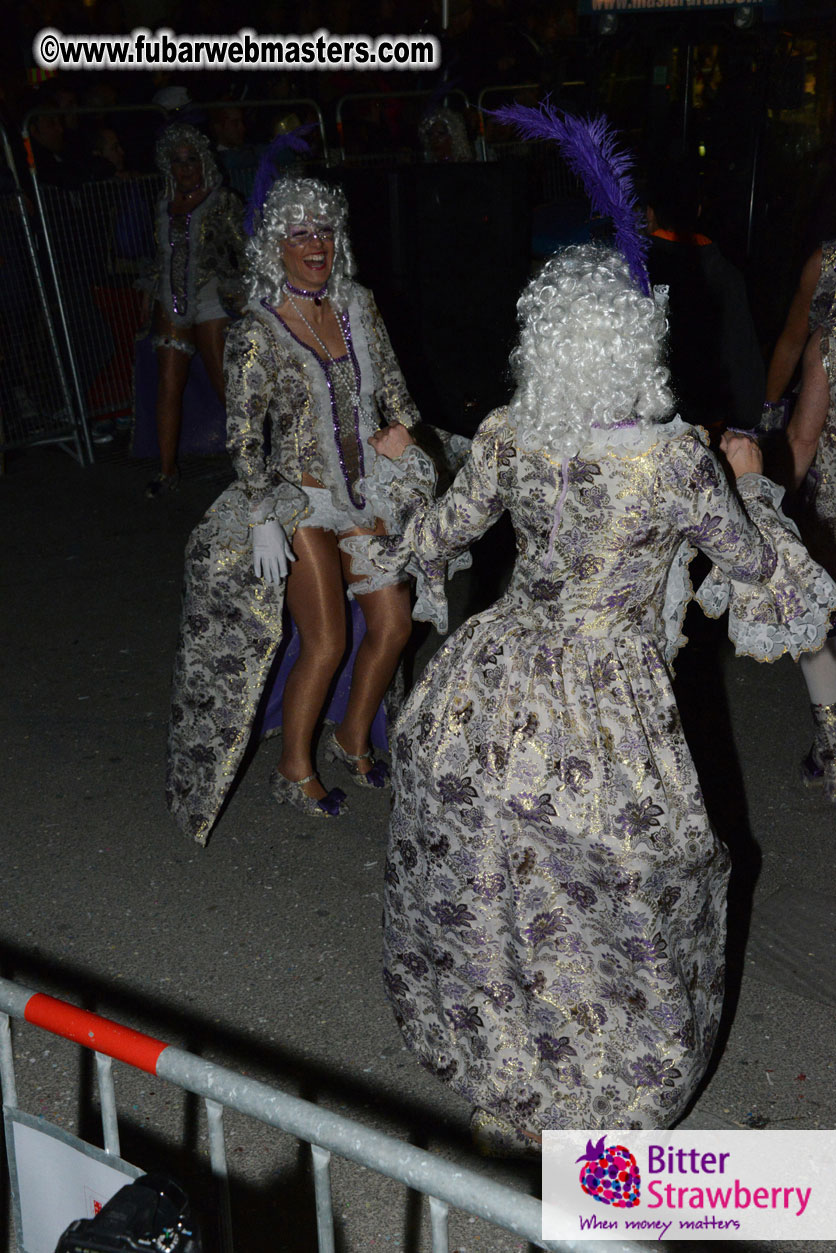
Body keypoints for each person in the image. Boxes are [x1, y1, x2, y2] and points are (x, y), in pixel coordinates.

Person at [348, 242, 836, 1148]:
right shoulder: (675, 461)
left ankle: (503, 1074)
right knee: (622, 882)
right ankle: (594, 1089)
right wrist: (752, 477)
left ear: (544, 342)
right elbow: (763, 568)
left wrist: (406, 468)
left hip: (490, 687)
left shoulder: (510, 433)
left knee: (496, 877)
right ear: (639, 343)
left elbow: (432, 533)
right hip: (604, 700)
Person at [166, 174, 427, 843]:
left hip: (366, 489)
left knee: (394, 623)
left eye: (325, 231)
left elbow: (396, 389)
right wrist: (261, 512)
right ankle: (292, 767)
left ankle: (351, 736)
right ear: (275, 247)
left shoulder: (358, 305)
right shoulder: (257, 330)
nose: (317, 244)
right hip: (300, 496)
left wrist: (402, 433)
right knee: (328, 638)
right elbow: (243, 434)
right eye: (300, 233)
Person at [138, 124, 245, 497]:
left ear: (204, 162)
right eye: (177, 161)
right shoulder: (163, 204)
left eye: (191, 160)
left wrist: (243, 290)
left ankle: (250, 466)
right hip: (170, 296)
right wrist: (149, 292)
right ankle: (167, 471)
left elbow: (244, 248)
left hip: (212, 295)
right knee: (168, 384)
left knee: (226, 384)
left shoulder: (222, 200)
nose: (185, 168)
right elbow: (160, 255)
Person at [764, 242, 836, 798]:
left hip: (829, 507)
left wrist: (768, 504)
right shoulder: (824, 261)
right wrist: (764, 408)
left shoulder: (831, 342)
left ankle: (832, 747)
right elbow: (790, 336)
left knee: (815, 615)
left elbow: (805, 436)